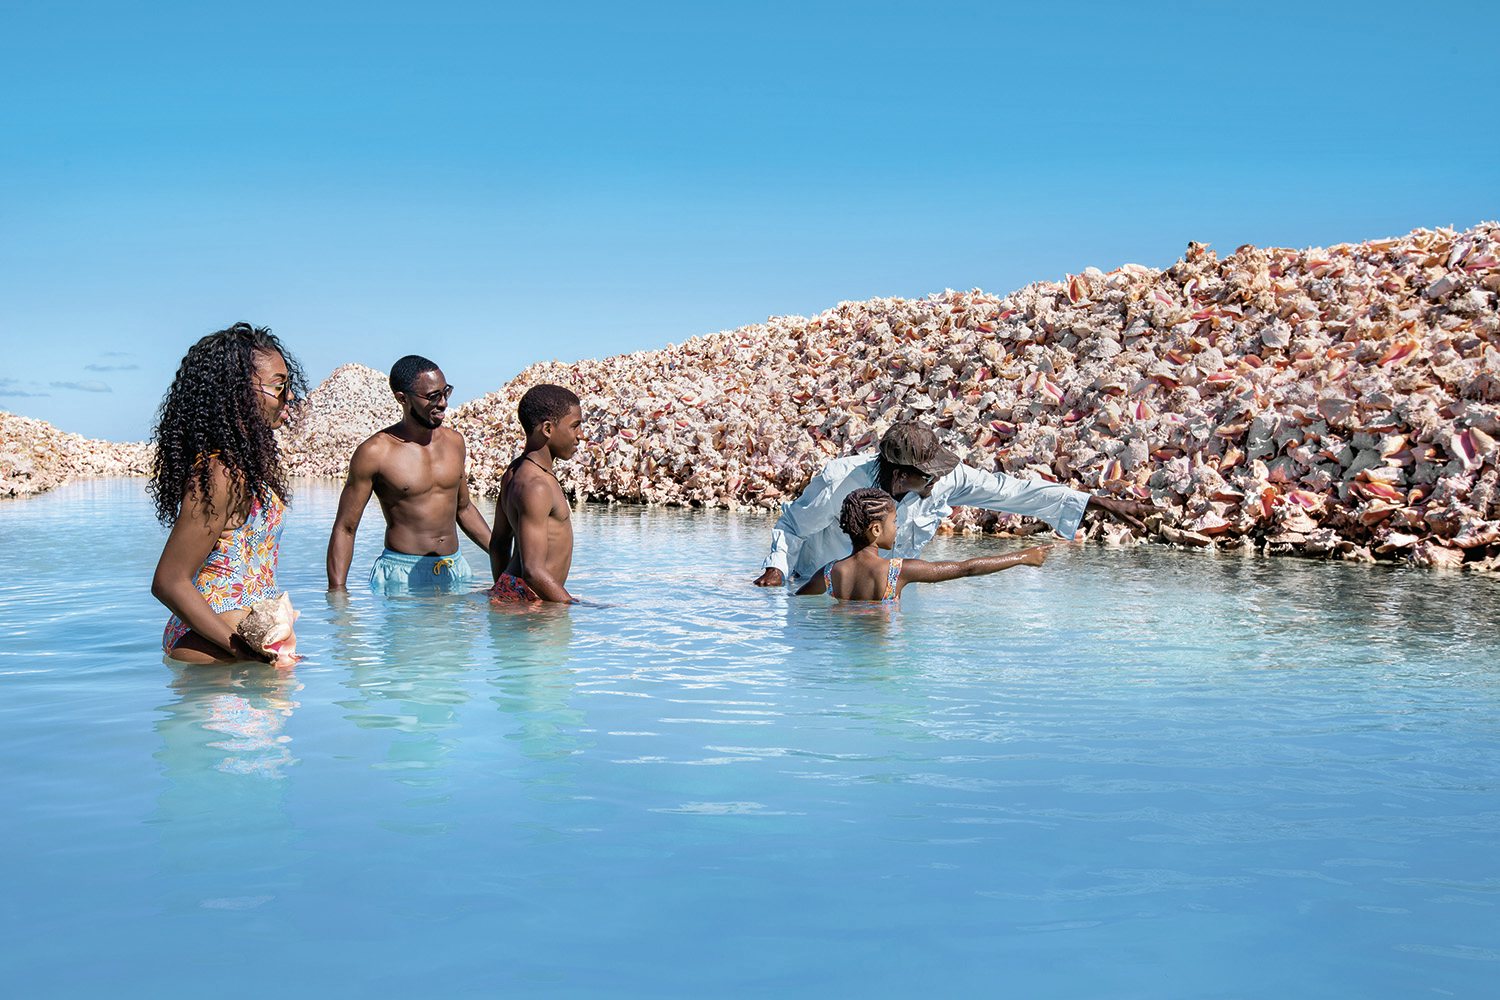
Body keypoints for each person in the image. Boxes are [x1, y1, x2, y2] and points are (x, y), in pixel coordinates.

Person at [753, 421, 1149, 587]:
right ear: (900, 475)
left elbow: (1011, 491)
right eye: (930, 476)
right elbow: (792, 527)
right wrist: (776, 571)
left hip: (890, 587)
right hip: (816, 580)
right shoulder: (841, 480)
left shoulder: (944, 480)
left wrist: (1093, 501)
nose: (940, 481)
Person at [150, 323, 308, 664]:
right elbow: (169, 581)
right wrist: (243, 652)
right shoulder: (219, 473)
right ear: (237, 393)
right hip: (214, 645)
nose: (290, 396)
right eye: (279, 386)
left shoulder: (246, 467)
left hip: (240, 645)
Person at [327, 355, 492, 594]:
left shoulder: (455, 443)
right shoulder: (375, 453)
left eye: (446, 392)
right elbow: (346, 528)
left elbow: (464, 508)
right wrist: (337, 595)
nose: (444, 403)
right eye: (433, 396)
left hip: (454, 570)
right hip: (401, 577)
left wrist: (503, 555)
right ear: (402, 398)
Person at [795, 488, 1050, 602]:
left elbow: (797, 599)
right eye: (894, 522)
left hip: (848, 658)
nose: (897, 527)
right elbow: (967, 568)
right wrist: (1022, 557)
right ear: (875, 529)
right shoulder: (897, 571)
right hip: (886, 659)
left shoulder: (829, 574)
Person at [488, 384, 584, 604]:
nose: (581, 436)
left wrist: (505, 592)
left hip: (519, 594)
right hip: (533, 601)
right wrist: (575, 606)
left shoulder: (513, 472)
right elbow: (533, 571)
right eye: (575, 426)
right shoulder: (537, 486)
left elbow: (498, 544)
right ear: (548, 429)